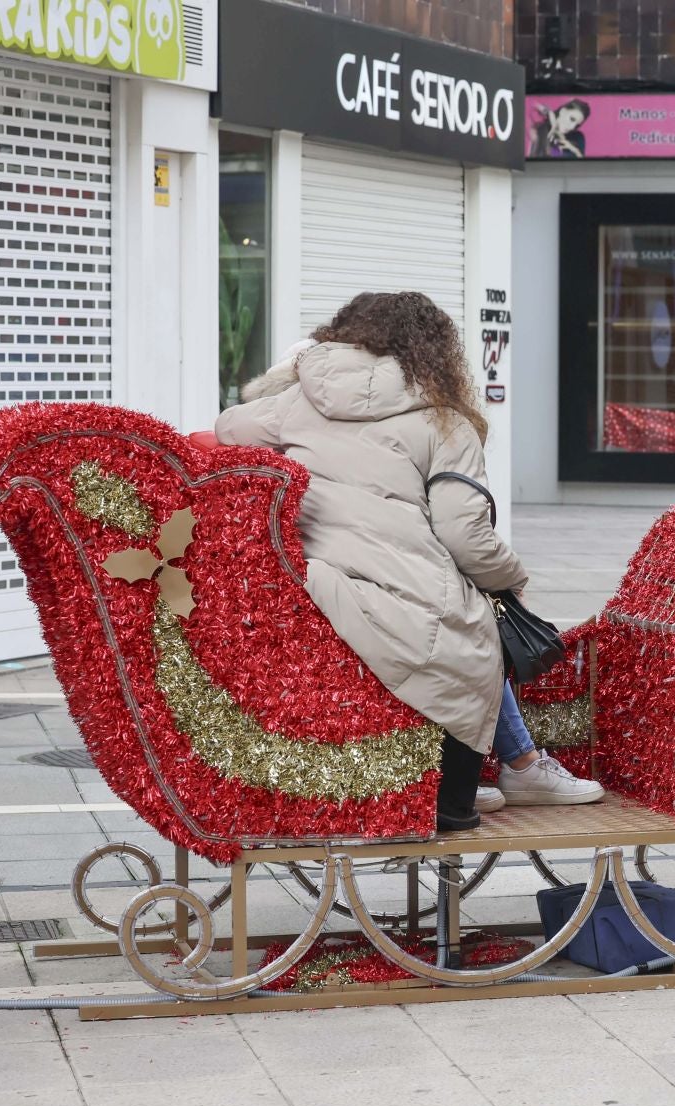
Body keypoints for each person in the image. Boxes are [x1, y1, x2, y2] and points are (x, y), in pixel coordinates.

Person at [214, 292, 604, 830]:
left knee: (469, 613)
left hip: (318, 584)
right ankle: (488, 779)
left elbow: (226, 429)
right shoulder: (445, 422)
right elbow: (463, 533)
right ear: (439, 352)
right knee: (480, 625)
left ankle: (515, 766)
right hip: (402, 601)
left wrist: (292, 376)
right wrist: (513, 578)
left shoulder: (296, 404)